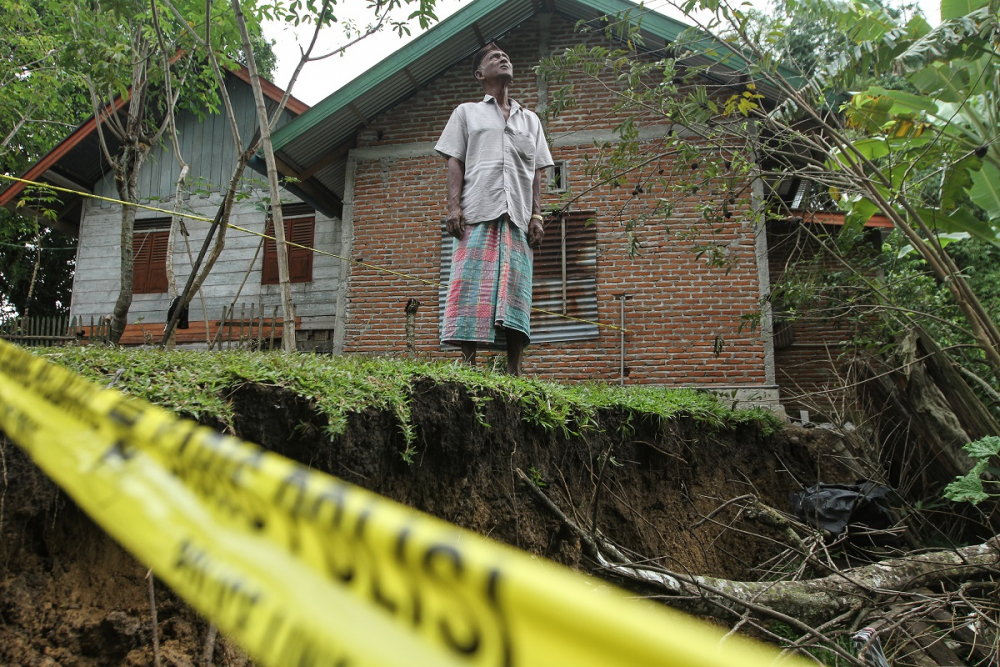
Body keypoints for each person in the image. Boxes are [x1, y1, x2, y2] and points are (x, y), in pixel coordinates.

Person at [435, 42, 554, 375]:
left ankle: (514, 369)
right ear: (480, 74)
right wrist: (453, 208)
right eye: (493, 58)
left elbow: (536, 174)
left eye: (506, 56)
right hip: (476, 213)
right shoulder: (466, 113)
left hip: (517, 217)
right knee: (471, 286)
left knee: (515, 291)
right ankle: (470, 368)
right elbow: (455, 161)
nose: (503, 58)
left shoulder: (530, 120)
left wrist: (537, 216)